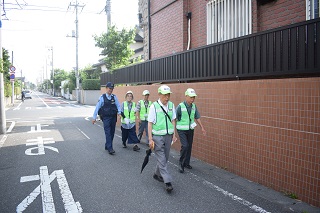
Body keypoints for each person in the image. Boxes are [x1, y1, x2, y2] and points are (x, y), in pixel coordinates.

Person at [148, 85, 177, 193]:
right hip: (157, 137)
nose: (167, 97)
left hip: (168, 136)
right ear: (159, 94)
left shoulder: (171, 105)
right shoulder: (154, 106)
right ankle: (167, 181)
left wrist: (174, 134)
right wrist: (150, 139)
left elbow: (173, 120)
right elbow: (150, 123)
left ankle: (156, 174)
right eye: (165, 95)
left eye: (168, 95)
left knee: (165, 157)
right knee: (162, 158)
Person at [176, 88, 206, 173]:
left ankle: (186, 163)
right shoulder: (180, 106)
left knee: (189, 146)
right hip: (181, 129)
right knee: (185, 146)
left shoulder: (194, 106)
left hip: (190, 129)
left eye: (194, 97)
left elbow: (197, 117)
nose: (192, 99)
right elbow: (175, 118)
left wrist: (202, 128)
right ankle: (181, 163)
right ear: (186, 96)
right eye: (191, 97)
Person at [92, 82, 121, 155]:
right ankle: (110, 148)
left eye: (112, 89)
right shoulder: (102, 97)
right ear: (106, 88)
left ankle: (107, 145)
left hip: (113, 117)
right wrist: (94, 117)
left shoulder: (114, 97)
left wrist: (119, 112)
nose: (110, 90)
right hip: (106, 118)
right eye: (109, 88)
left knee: (112, 133)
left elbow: (118, 105)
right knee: (108, 132)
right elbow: (97, 107)